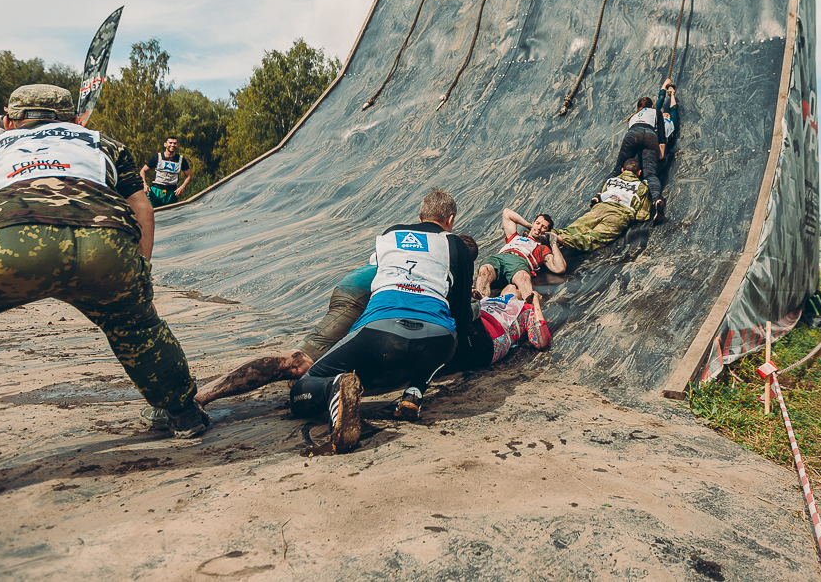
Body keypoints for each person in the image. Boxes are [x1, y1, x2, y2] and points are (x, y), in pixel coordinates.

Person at [0, 84, 209, 440]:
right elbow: (142, 208)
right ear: (74, 119)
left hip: (9, 239)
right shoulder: (103, 142)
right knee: (137, 327)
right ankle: (183, 413)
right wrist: (139, 278)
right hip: (104, 243)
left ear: (10, 120)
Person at [147, 234, 482, 427]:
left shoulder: (423, 244)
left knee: (314, 363)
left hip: (360, 284)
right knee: (299, 363)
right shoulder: (451, 258)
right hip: (365, 292)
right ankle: (194, 400)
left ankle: (197, 398)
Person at [287, 188, 475, 451]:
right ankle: (414, 393)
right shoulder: (457, 245)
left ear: (420, 216)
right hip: (437, 342)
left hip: (380, 332)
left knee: (303, 387)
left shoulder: (390, 234)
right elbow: (462, 314)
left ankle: (333, 388)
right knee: (448, 330)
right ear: (451, 220)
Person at [555, 159, 653, 252]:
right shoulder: (641, 187)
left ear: (622, 170)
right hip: (618, 216)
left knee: (577, 227)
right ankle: (564, 241)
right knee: (595, 237)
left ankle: (553, 234)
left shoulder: (610, 181)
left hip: (600, 208)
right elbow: (642, 215)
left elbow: (602, 195)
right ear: (639, 172)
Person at [474, 208, 565, 303]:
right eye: (537, 223)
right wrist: (529, 225)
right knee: (484, 270)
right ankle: (481, 305)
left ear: (546, 231)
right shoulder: (514, 237)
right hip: (500, 258)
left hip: (518, 263)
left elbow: (559, 268)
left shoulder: (541, 248)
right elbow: (506, 213)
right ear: (533, 223)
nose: (539, 227)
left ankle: (531, 309)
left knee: (523, 277)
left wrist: (553, 242)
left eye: (544, 227)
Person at [458, 283, 551, 371]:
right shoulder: (488, 300)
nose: (512, 285)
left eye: (517, 289)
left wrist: (536, 303)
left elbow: (542, 341)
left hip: (491, 340)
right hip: (468, 333)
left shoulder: (526, 309)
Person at [613, 95, 667, 223]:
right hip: (650, 136)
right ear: (652, 106)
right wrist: (661, 154)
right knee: (651, 173)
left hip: (633, 134)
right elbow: (662, 136)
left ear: (638, 108)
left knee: (617, 168)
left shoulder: (633, 116)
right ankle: (657, 200)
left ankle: (599, 195)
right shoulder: (656, 112)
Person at [140, 136, 192, 208]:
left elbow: (189, 176)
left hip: (171, 192)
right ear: (165, 144)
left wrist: (182, 187)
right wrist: (144, 184)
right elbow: (143, 171)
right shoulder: (157, 157)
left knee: (170, 216)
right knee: (152, 213)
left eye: (175, 143)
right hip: (155, 191)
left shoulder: (181, 159)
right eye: (170, 143)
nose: (172, 145)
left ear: (177, 145)